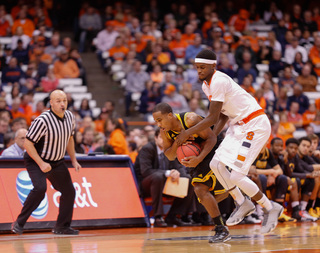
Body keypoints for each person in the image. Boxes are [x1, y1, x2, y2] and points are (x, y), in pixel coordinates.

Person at [175, 49, 284, 234]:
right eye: (197, 67)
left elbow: (211, 117)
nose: (199, 71)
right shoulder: (205, 85)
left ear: (213, 66)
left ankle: (270, 207)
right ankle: (242, 202)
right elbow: (223, 115)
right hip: (238, 126)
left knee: (236, 176)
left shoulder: (219, 80)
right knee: (216, 164)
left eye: (202, 67)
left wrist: (187, 134)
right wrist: (213, 135)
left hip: (254, 125)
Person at [152, 102, 231, 243]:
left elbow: (212, 138)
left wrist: (199, 158)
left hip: (213, 148)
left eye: (160, 120)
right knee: (207, 195)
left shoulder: (190, 119)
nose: (158, 124)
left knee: (201, 190)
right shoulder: (165, 132)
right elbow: (170, 155)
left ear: (170, 116)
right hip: (196, 156)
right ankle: (238, 194)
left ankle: (221, 228)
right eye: (156, 121)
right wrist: (177, 142)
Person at [11, 90, 81, 235]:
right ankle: (19, 222)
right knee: (40, 189)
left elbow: (70, 139)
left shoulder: (70, 117)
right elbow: (28, 145)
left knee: (69, 191)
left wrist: (73, 160)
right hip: (36, 160)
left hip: (57, 161)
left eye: (64, 101)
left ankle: (62, 227)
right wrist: (41, 163)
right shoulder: (42, 120)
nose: (62, 104)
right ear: (51, 102)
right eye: (58, 101)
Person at [135, 127, 195, 228]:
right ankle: (158, 216)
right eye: (161, 137)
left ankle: (174, 216)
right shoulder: (147, 149)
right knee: (157, 177)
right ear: (155, 138)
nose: (164, 140)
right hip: (145, 185)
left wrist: (179, 174)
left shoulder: (170, 150)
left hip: (164, 184)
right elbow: (146, 172)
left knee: (189, 180)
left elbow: (179, 167)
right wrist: (167, 173)